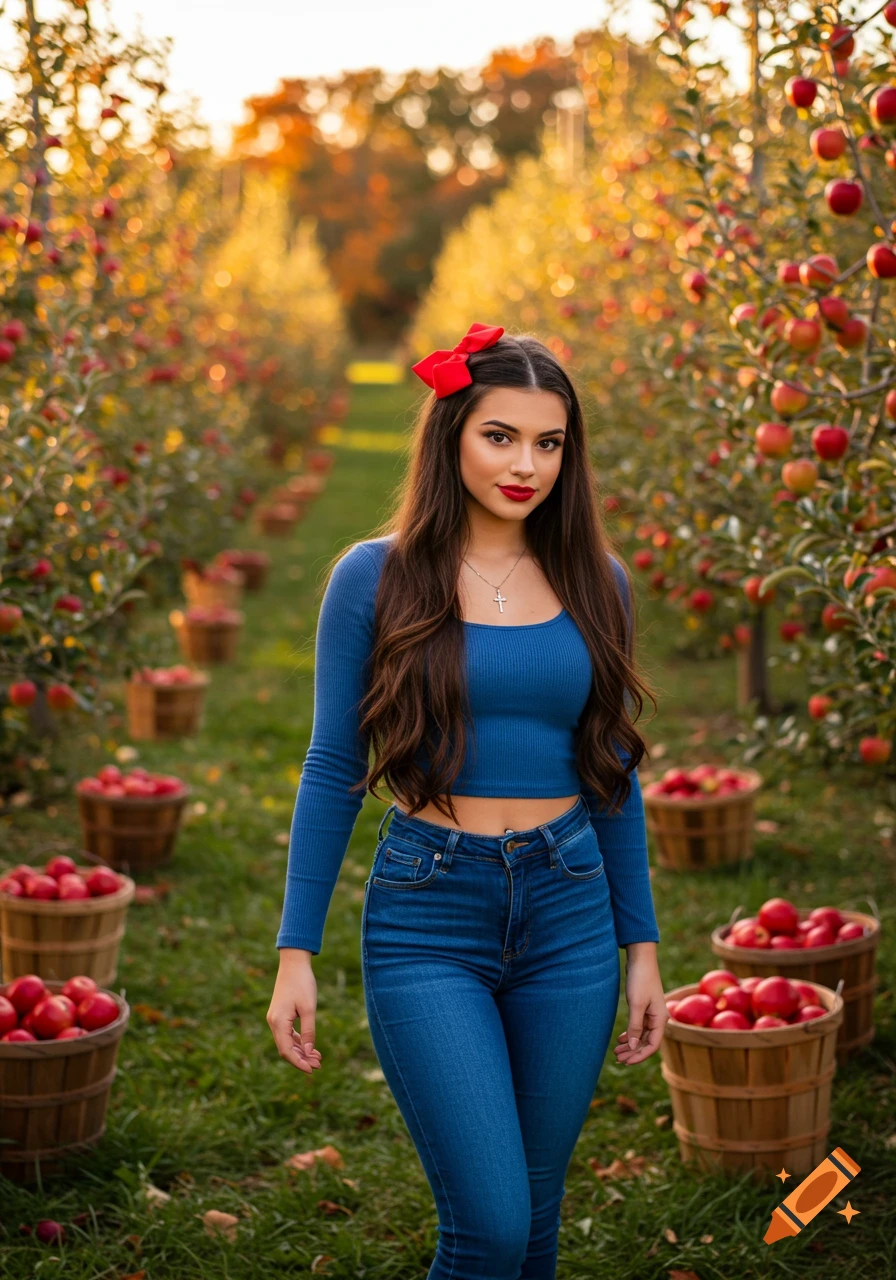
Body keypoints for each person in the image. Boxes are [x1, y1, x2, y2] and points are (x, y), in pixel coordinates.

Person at [267, 322, 668, 1280]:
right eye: (500, 436)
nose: (526, 464)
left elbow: (611, 764)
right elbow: (332, 762)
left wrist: (641, 946)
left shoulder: (595, 581)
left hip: (569, 907)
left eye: (549, 442)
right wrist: (296, 950)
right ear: (451, 436)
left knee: (534, 1225)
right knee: (486, 1227)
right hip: (429, 910)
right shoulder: (376, 576)